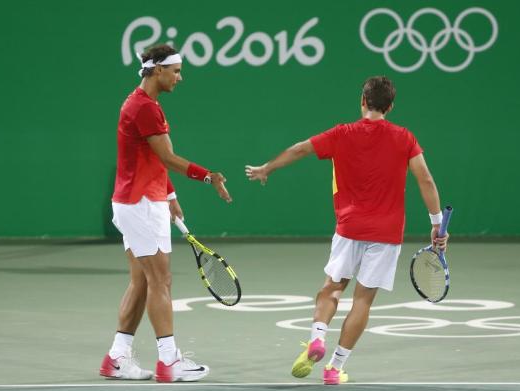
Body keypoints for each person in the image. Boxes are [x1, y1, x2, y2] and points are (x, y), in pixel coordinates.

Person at [245, 76, 448, 385]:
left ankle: (317, 336)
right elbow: (426, 179)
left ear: (362, 101)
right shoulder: (405, 138)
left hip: (349, 227)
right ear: (390, 106)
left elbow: (301, 149)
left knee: (332, 287)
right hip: (386, 233)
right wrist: (436, 223)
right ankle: (334, 368)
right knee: (362, 301)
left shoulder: (342, 133)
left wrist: (267, 168)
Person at [99, 44, 232, 383]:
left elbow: (151, 158)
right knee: (161, 281)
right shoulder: (145, 108)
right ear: (157, 70)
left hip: (139, 200)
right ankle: (169, 361)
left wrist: (169, 194)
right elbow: (169, 157)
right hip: (141, 204)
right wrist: (209, 175)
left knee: (142, 280)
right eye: (176, 71)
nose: (180, 77)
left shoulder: (142, 103)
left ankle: (116, 357)